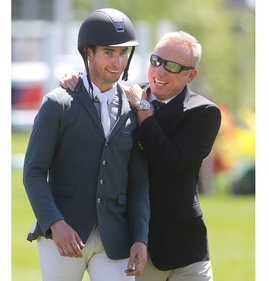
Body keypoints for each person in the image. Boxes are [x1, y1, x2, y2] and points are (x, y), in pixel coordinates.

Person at [60, 30, 222, 281]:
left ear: (191, 75)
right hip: (135, 244)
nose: (160, 71)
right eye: (156, 61)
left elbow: (169, 161)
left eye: (172, 66)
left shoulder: (203, 112)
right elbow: (97, 90)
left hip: (185, 249)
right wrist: (76, 80)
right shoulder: (127, 97)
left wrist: (143, 110)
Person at [23, 8, 150, 281]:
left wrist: (140, 238)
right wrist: (55, 224)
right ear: (88, 53)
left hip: (115, 239)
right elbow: (33, 172)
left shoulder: (133, 106)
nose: (118, 61)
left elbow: (139, 179)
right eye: (109, 52)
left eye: (123, 53)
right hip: (63, 236)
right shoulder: (57, 103)